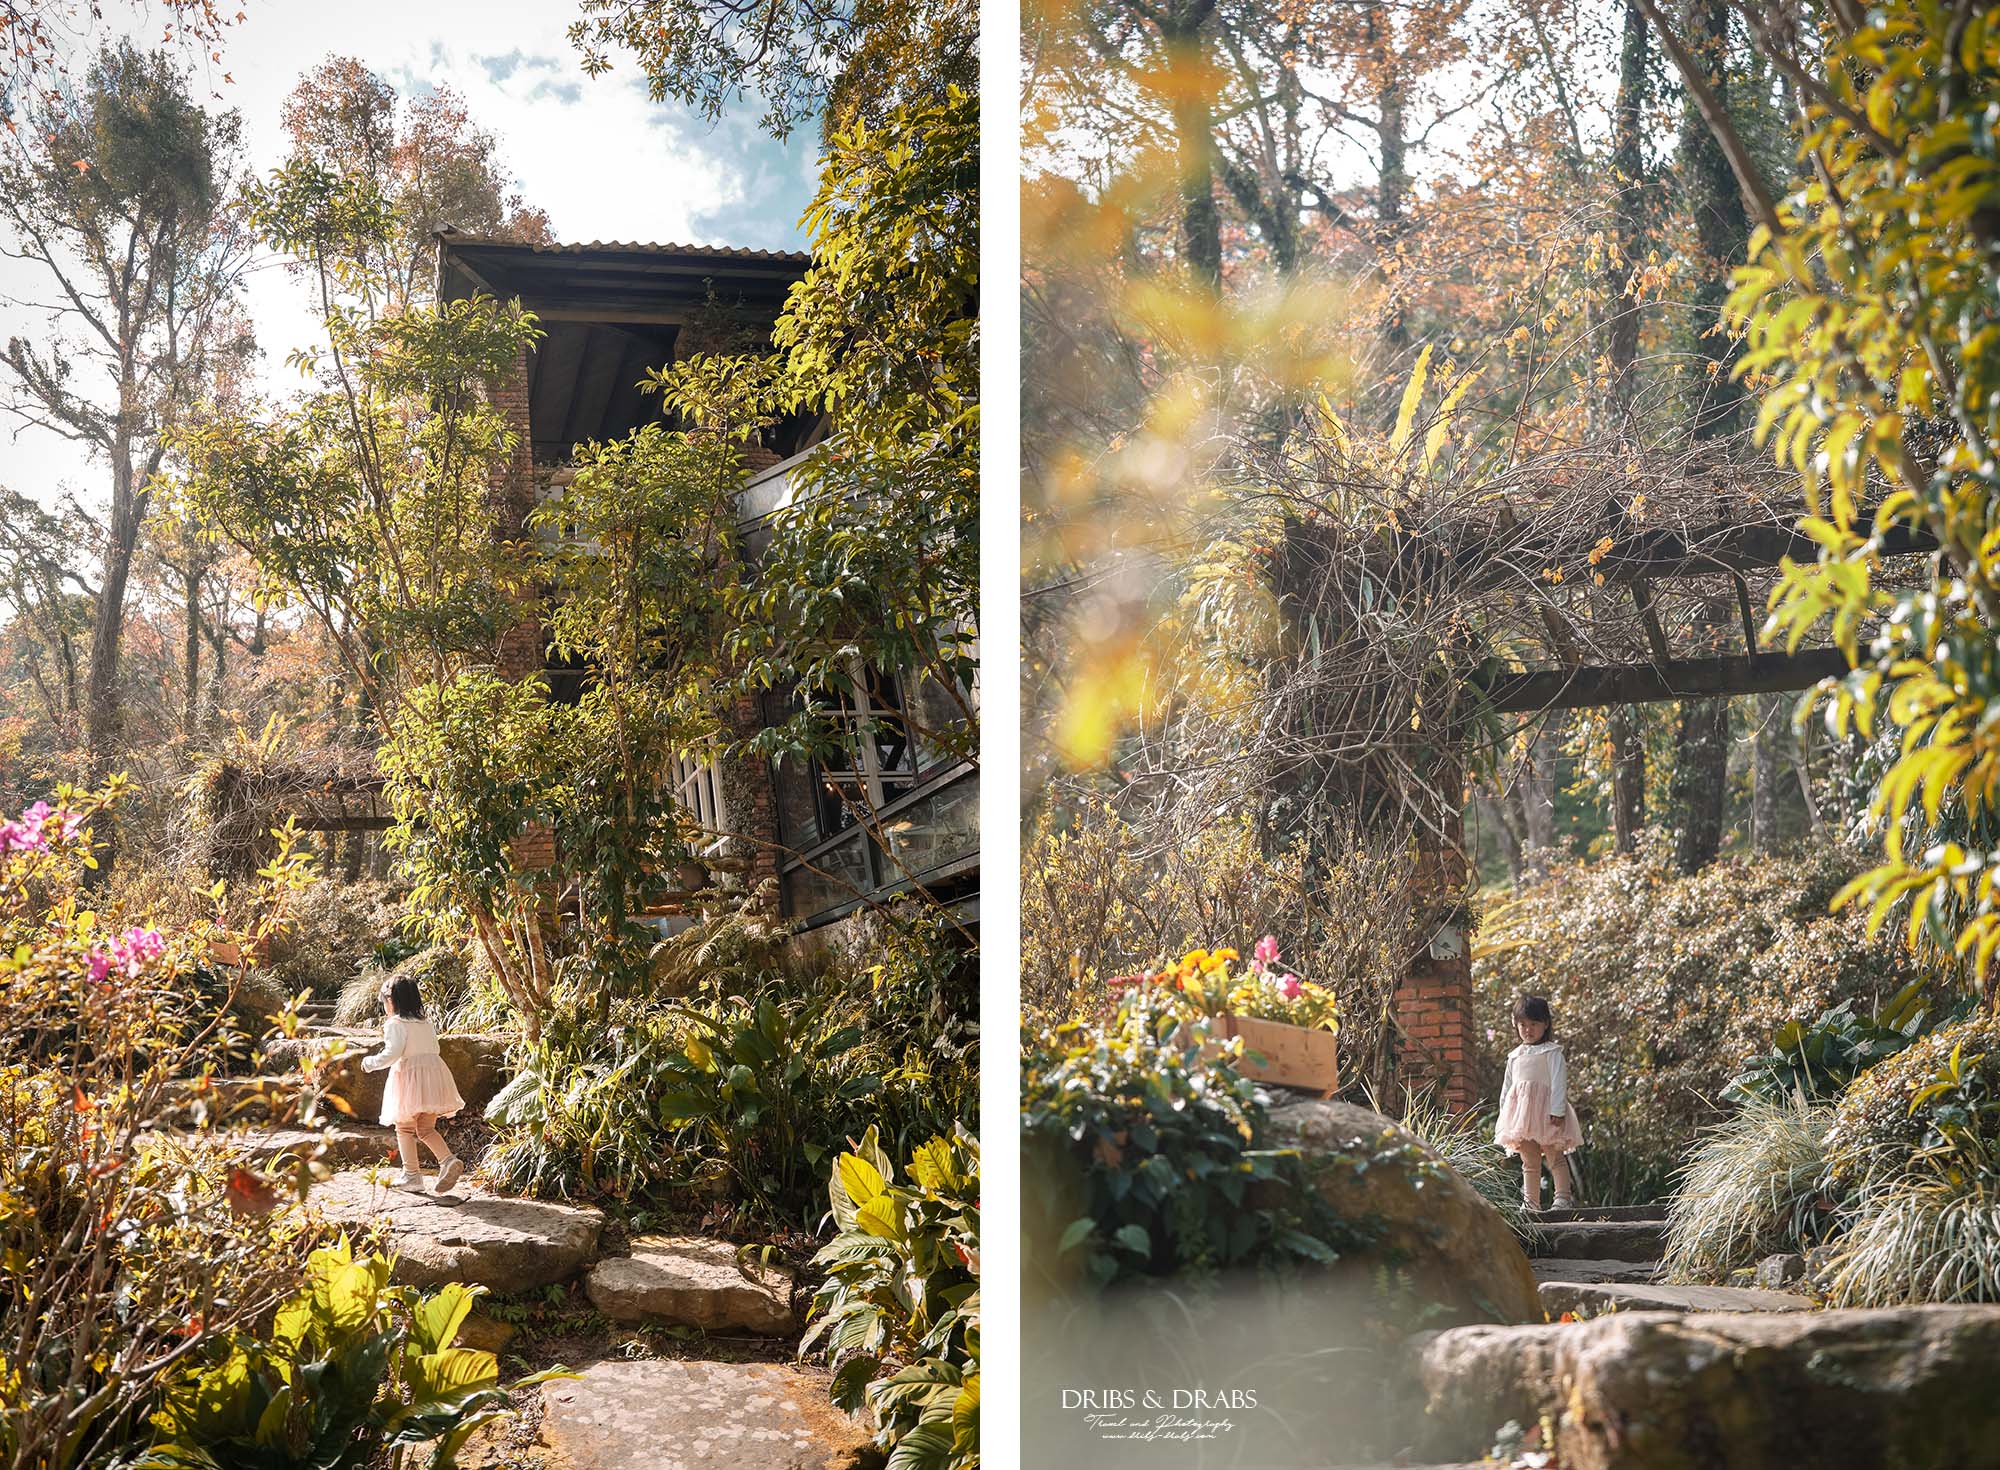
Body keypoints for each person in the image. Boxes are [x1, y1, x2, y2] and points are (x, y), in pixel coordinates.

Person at [362, 975, 467, 1195]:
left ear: (392, 1000)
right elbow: (434, 1049)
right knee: (426, 1129)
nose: (384, 1007)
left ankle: (412, 1176)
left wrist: (370, 1063)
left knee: (404, 1128)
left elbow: (393, 1053)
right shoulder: (426, 1023)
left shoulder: (395, 1024)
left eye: (384, 1001)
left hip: (409, 1079)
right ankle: (448, 1160)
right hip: (434, 1077)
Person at [1494, 993, 1583, 1211]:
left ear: (1545, 1024)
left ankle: (1563, 1198)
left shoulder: (1552, 1052)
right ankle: (1531, 1202)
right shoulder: (1514, 1056)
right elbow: (1507, 1089)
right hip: (1522, 1118)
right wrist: (1505, 1115)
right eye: (1522, 1024)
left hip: (1547, 1114)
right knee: (1529, 1160)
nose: (1528, 1029)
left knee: (1554, 1156)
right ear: (1516, 1025)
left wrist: (1557, 1110)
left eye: (1534, 1024)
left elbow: (1558, 1082)